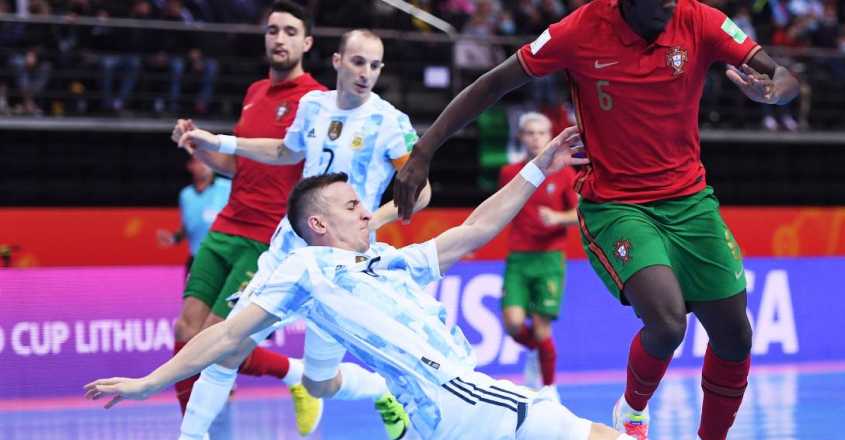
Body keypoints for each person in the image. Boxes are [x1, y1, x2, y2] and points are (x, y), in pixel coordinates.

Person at [392, 1, 800, 439]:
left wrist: (775, 91)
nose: (670, 4)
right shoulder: (580, 30)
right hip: (617, 205)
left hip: (690, 202)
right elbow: (494, 83)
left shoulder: (700, 20)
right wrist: (423, 151)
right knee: (667, 325)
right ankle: (632, 409)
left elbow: (785, 75)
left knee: (736, 338)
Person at [85, 127, 635, 440]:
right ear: (319, 225)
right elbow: (226, 335)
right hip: (456, 393)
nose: (368, 211)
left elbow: (474, 230)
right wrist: (148, 383)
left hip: (444, 409)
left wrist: (539, 165)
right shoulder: (307, 269)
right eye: (352, 206)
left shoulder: (387, 259)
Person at [170, 28, 431, 440]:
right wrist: (219, 141)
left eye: (375, 65)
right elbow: (283, 151)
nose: (366, 73)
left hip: (342, 266)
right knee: (228, 348)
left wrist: (372, 220)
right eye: (358, 62)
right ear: (338, 62)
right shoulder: (313, 106)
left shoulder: (390, 122)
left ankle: (379, 389)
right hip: (288, 251)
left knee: (318, 383)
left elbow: (422, 191)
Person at [166, 1, 327, 436]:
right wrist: (199, 147)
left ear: (307, 43)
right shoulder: (255, 92)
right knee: (185, 330)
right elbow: (238, 164)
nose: (280, 39)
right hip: (226, 227)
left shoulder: (316, 100)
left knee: (218, 341)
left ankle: (295, 376)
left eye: (290, 31)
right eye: (273, 30)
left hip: (266, 238)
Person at [498, 112, 577, 395]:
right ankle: (536, 352)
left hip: (549, 259)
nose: (535, 138)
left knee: (543, 327)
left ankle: (548, 389)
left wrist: (557, 218)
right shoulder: (509, 173)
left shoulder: (564, 174)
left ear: (550, 136)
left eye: (541, 133)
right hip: (518, 258)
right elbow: (499, 210)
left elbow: (580, 213)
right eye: (530, 133)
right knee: (513, 324)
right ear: (521, 137)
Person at [157, 156, 231, 277]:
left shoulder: (228, 187)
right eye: (199, 161)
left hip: (223, 257)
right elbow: (188, 226)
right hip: (196, 258)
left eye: (207, 161)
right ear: (190, 166)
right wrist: (174, 238)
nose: (204, 165)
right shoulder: (185, 194)